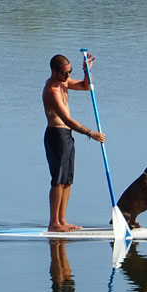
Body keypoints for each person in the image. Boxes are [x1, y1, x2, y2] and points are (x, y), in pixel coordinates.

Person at [42, 53, 106, 232]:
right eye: (64, 73)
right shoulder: (51, 90)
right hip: (56, 135)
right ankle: (53, 223)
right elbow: (67, 119)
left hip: (67, 136)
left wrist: (87, 71)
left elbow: (87, 86)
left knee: (68, 180)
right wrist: (89, 132)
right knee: (58, 180)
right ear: (54, 71)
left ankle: (62, 220)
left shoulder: (64, 81)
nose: (68, 76)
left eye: (70, 71)